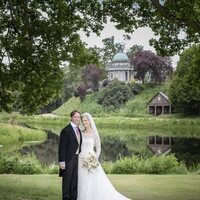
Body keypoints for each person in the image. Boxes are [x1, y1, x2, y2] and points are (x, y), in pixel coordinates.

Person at [78, 112, 131, 200]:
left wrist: (94, 158)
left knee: (92, 178)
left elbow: (98, 148)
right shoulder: (81, 132)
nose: (84, 123)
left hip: (91, 158)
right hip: (81, 158)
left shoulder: (94, 133)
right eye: (83, 121)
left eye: (86, 120)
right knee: (82, 178)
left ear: (90, 121)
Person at [58, 110, 82, 200]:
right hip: (68, 160)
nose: (77, 119)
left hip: (77, 159)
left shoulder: (79, 130)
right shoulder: (66, 130)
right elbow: (62, 147)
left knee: (75, 181)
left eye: (78, 117)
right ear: (71, 118)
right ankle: (66, 198)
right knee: (67, 181)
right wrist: (61, 162)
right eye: (75, 117)